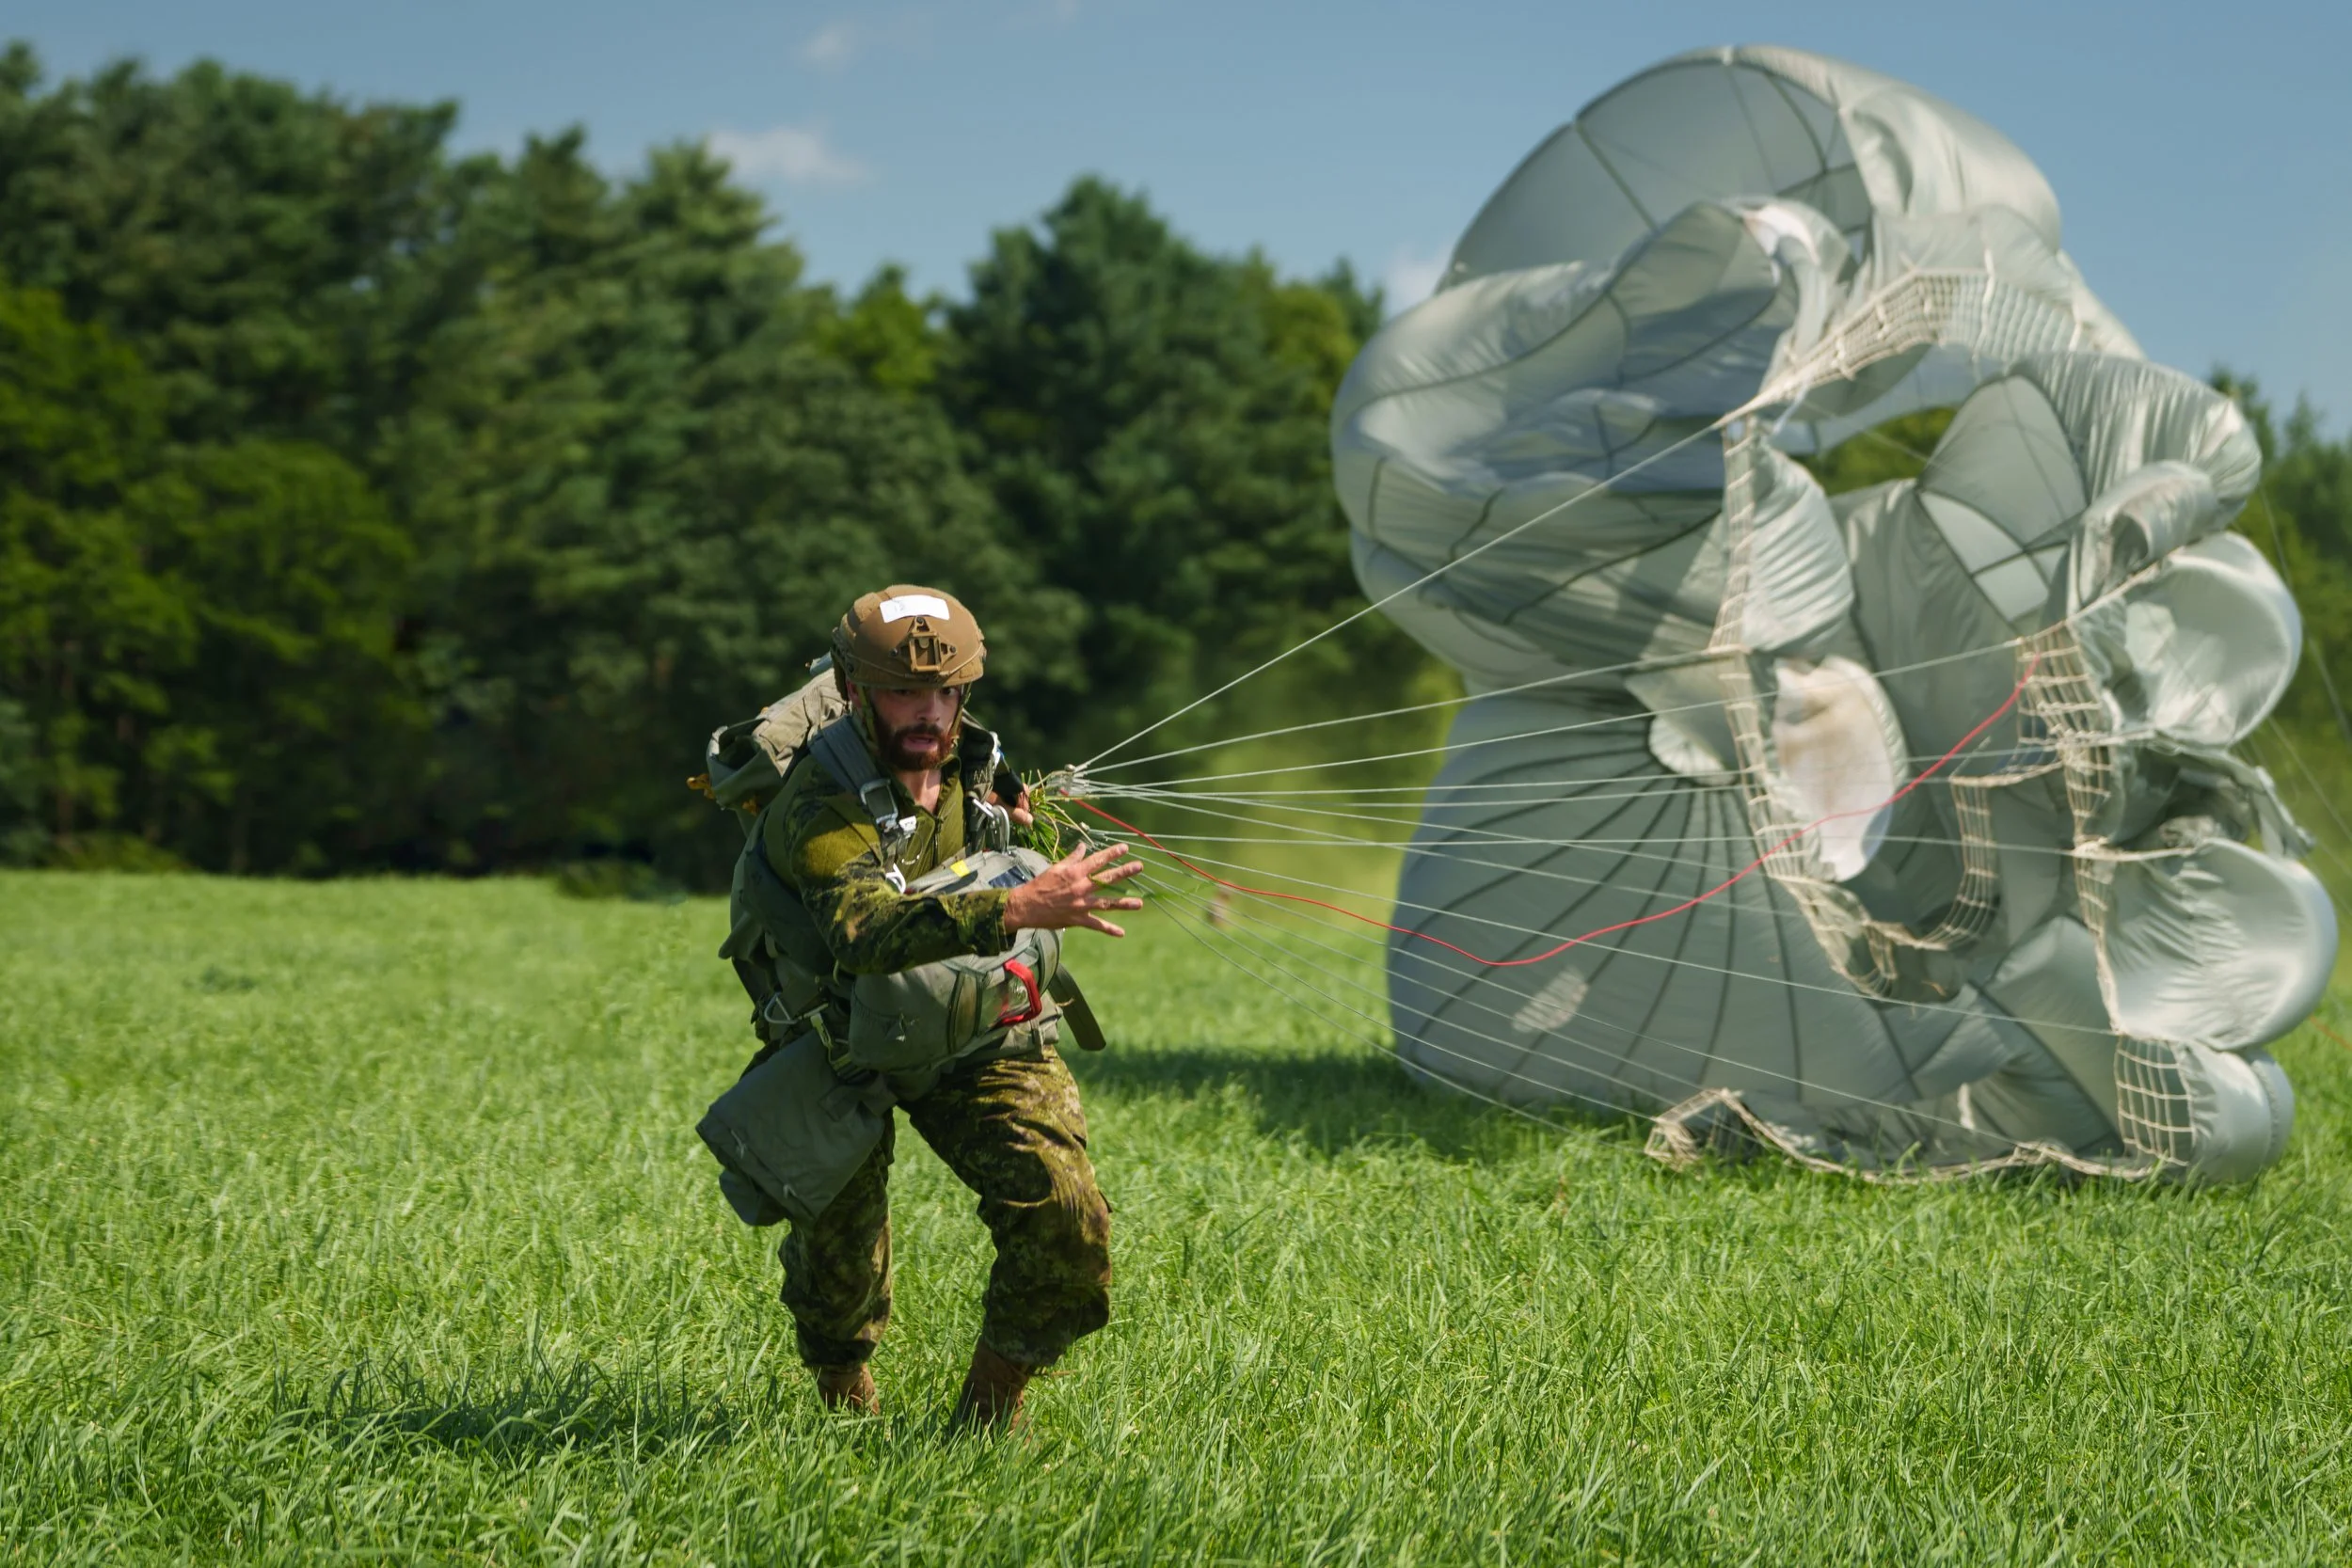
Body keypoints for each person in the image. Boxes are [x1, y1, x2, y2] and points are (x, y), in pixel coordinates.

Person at [751, 585, 1143, 1429]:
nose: (927, 711)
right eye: (902, 692)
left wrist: (1022, 841)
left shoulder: (975, 763)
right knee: (838, 1266)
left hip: (970, 1023)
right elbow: (860, 929)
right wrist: (1015, 907)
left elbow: (996, 865)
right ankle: (845, 1419)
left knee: (1068, 1221)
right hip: (843, 1040)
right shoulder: (820, 801)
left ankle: (985, 1418)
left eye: (945, 692)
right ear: (855, 690)